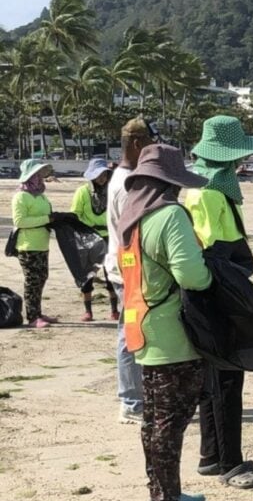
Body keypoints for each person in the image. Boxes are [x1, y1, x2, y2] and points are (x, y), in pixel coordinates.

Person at [117, 144, 214, 501]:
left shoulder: (132, 216)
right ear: (169, 183)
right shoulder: (170, 215)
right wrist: (212, 279)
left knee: (155, 421)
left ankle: (164, 491)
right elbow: (192, 275)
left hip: (141, 327)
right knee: (169, 424)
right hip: (172, 333)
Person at [185, 115, 253, 490]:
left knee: (213, 377)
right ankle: (231, 463)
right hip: (216, 296)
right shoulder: (209, 192)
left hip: (213, 292)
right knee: (226, 378)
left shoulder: (205, 187)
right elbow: (211, 252)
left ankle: (210, 455)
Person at [105, 118, 154, 424]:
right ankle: (131, 401)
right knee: (129, 332)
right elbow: (131, 233)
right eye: (148, 144)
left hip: (124, 267)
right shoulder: (126, 184)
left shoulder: (125, 177)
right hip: (126, 270)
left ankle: (137, 396)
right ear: (136, 144)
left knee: (134, 330)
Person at [11, 160, 73, 328]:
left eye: (40, 175)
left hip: (42, 245)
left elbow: (48, 215)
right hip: (27, 246)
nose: (40, 178)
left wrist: (58, 218)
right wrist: (47, 219)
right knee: (32, 281)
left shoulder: (41, 195)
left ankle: (38, 312)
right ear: (29, 176)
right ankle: (32, 317)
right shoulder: (21, 196)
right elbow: (20, 221)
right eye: (36, 175)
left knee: (42, 278)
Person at [71, 157, 118, 322]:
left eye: (104, 174)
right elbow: (75, 214)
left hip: (109, 237)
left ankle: (114, 310)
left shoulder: (112, 190)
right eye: (98, 175)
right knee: (87, 275)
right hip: (88, 238)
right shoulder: (82, 192)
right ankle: (88, 311)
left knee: (111, 273)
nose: (101, 178)